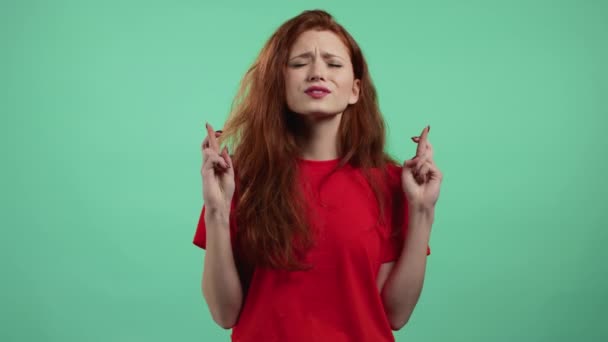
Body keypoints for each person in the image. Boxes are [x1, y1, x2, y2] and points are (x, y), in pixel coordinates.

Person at [194, 9, 443, 342]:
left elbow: (395, 314)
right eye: (299, 64)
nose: (316, 73)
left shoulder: (392, 183)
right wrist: (216, 210)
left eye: (333, 64)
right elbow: (224, 314)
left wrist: (422, 211)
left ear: (355, 89)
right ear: (278, 83)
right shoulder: (239, 180)